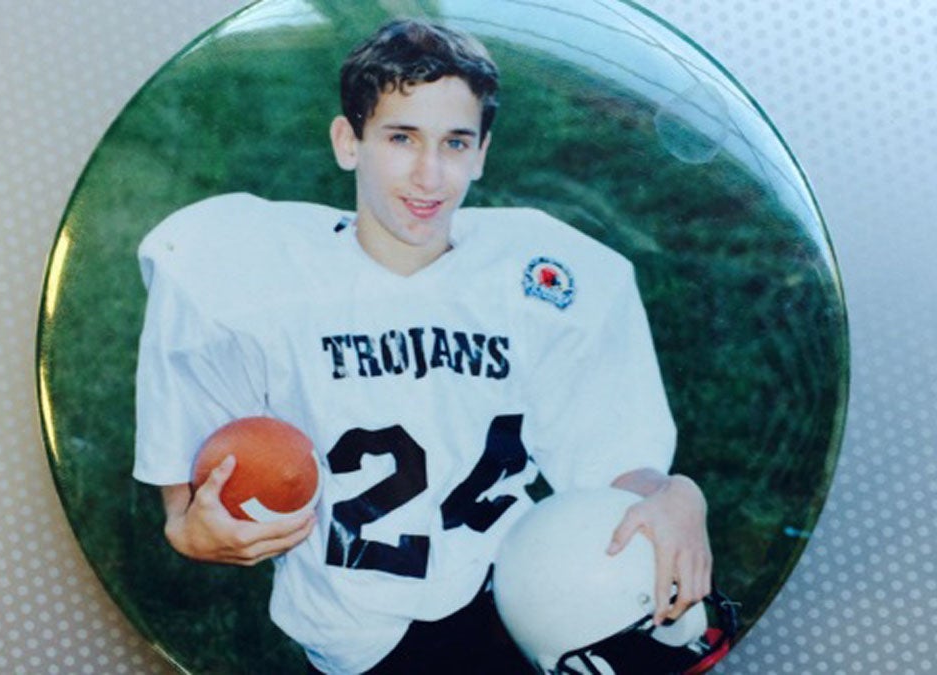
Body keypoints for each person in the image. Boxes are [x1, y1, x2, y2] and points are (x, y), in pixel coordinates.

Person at [133, 18, 712, 675]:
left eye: (455, 142)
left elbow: (612, 467)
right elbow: (186, 507)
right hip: (362, 631)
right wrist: (186, 524)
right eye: (401, 138)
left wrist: (676, 494)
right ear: (348, 141)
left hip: (520, 588)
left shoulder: (536, 277)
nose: (430, 174)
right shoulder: (258, 276)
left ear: (483, 152)